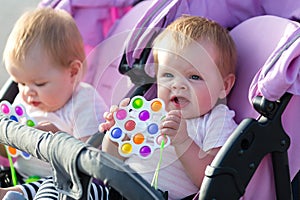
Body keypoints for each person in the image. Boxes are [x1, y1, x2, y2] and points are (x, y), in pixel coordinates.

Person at [21, 15, 238, 200]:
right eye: (168, 75)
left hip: (156, 196)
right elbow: (113, 160)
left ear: (223, 86)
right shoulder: (151, 113)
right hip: (115, 191)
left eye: (194, 77)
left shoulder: (216, 120)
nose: (177, 84)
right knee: (61, 184)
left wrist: (183, 141)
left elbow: (211, 181)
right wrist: (117, 136)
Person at [0, 7, 107, 199]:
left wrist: (58, 139)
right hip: (21, 177)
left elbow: (90, 160)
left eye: (39, 83)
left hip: (68, 185)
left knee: (52, 186)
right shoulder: (25, 100)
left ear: (72, 72)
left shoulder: (84, 102)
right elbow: (10, 154)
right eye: (21, 83)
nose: (26, 92)